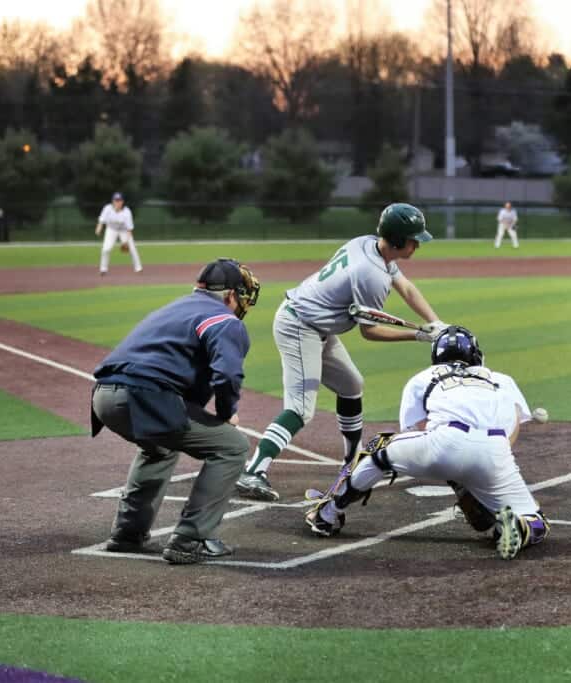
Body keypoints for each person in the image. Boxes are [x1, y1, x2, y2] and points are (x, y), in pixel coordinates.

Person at [236, 203, 448, 502]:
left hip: (319, 325)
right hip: (299, 325)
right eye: (413, 239)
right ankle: (254, 470)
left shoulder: (368, 244)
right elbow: (369, 331)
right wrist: (417, 335)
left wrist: (435, 322)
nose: (417, 244)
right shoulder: (370, 274)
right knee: (300, 408)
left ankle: (353, 460)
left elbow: (406, 288)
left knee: (351, 385)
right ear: (398, 240)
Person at [305, 326, 550, 560]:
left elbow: (410, 431)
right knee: (537, 519)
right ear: (476, 355)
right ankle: (520, 526)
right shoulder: (502, 379)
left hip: (444, 443)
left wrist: (454, 473)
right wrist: (478, 479)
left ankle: (328, 513)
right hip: (496, 451)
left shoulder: (424, 377)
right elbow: (512, 428)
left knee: (380, 447)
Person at [90, 258, 260, 564]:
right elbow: (227, 376)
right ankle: (191, 538)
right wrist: (226, 412)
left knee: (160, 447)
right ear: (231, 296)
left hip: (103, 397)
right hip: (144, 398)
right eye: (241, 295)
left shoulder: (174, 307)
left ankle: (128, 534)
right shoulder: (225, 320)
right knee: (233, 446)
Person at [96, 192, 143, 275]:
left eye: (119, 200)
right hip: (111, 229)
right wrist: (99, 227)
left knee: (132, 248)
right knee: (106, 249)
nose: (117, 202)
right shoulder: (107, 208)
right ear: (113, 201)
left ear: (122, 202)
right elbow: (102, 219)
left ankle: (138, 268)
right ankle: (103, 269)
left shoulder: (127, 212)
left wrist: (125, 242)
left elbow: (129, 229)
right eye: (116, 200)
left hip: (124, 231)